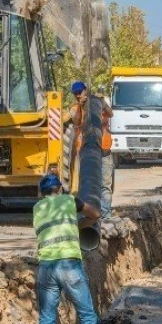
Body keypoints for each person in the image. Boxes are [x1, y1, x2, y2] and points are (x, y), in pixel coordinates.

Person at [34, 173, 101, 324]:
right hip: (69, 264)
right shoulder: (70, 201)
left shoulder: (37, 207)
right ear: (60, 189)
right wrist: (80, 225)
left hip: (46, 266)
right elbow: (95, 214)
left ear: (42, 193)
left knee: (47, 317)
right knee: (86, 312)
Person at [70, 81, 115, 222]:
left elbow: (110, 114)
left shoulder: (97, 103)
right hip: (87, 153)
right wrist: (81, 107)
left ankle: (105, 215)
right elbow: (76, 122)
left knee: (105, 184)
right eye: (76, 93)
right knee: (85, 184)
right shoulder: (75, 108)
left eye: (80, 92)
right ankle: (86, 215)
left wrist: (101, 103)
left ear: (86, 90)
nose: (78, 95)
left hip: (104, 150)